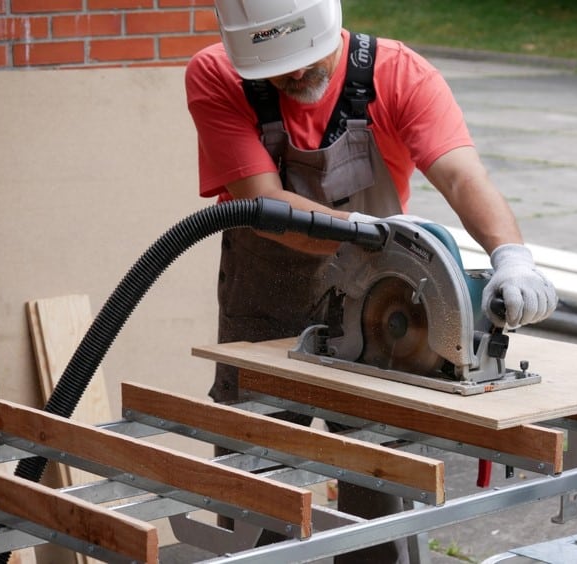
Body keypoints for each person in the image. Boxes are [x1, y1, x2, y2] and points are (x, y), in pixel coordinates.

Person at [185, 1, 557, 562]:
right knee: (251, 484)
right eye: (275, 70)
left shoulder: (402, 74)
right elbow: (263, 203)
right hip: (262, 309)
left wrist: (511, 255)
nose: (292, 77)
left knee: (376, 488)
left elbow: (460, 175)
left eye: (306, 62)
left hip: (376, 308)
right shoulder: (216, 74)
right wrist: (370, 233)